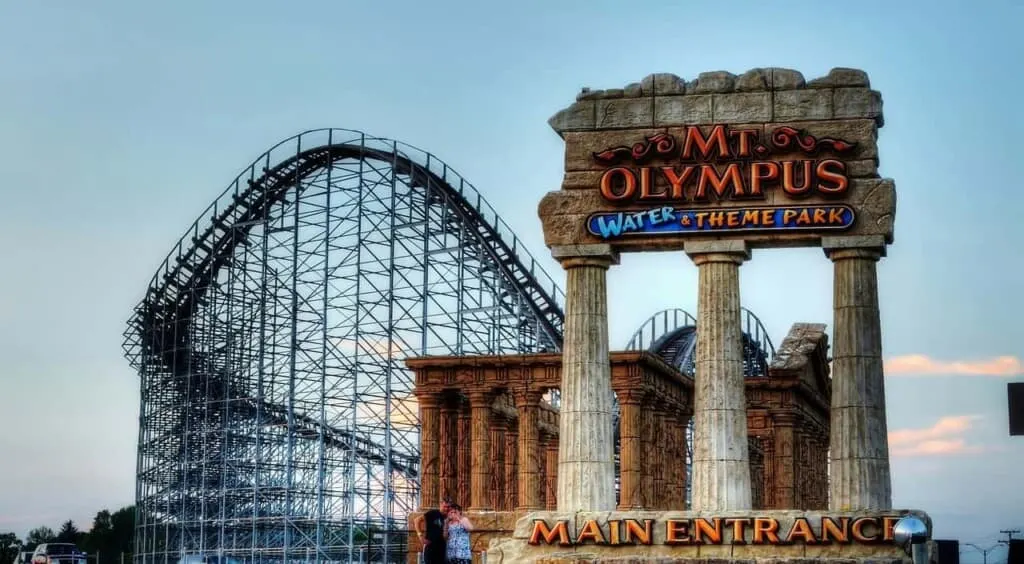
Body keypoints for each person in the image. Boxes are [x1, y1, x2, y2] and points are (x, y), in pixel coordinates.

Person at [414, 498, 451, 564]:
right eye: (445, 506)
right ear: (440, 505)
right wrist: (420, 536)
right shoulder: (433, 513)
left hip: (442, 547)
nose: (446, 509)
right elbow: (417, 520)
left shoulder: (448, 516)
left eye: (448, 507)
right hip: (430, 546)